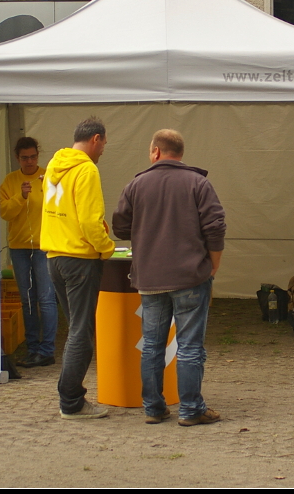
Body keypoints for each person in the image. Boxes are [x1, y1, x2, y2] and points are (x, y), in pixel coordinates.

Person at [112, 129, 226, 426]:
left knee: (152, 345)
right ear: (180, 153)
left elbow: (120, 226)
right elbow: (216, 226)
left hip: (150, 279)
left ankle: (153, 408)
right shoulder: (198, 183)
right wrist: (213, 265)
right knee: (189, 346)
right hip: (190, 278)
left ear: (156, 152)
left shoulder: (136, 185)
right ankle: (190, 410)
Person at [41, 117, 115, 419]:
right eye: (104, 144)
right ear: (96, 139)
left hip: (54, 257)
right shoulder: (86, 169)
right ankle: (71, 401)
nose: (103, 151)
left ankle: (69, 397)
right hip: (80, 260)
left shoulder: (53, 167)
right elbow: (88, 221)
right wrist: (107, 248)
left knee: (76, 331)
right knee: (81, 334)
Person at [0, 137, 56, 368]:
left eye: (33, 156)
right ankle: (32, 349)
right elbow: (4, 213)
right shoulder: (11, 181)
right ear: (17, 158)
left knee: (46, 299)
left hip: (44, 247)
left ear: (38, 155)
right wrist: (20, 197)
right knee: (27, 300)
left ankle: (47, 350)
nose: (30, 161)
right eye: (25, 158)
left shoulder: (48, 176)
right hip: (19, 248)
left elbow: (59, 207)